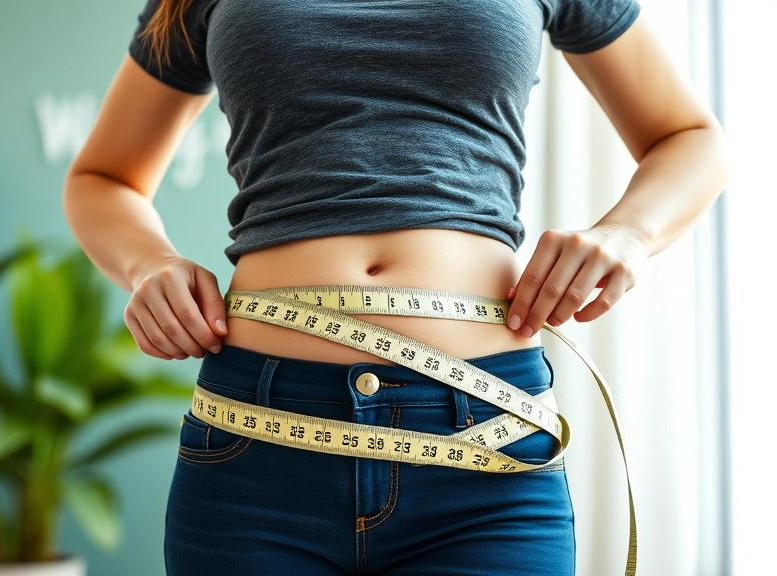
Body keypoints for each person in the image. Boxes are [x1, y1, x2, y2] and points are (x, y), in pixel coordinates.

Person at [63, 0, 730, 574]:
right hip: (257, 455)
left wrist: (628, 234)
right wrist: (148, 263)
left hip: (485, 445)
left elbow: (690, 136)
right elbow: (104, 176)